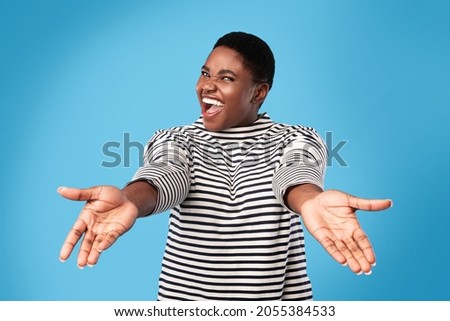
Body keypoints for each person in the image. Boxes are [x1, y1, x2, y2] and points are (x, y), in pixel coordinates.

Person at [58, 31, 392, 300]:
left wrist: (310, 201)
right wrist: (130, 199)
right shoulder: (175, 139)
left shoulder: (295, 138)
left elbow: (295, 174)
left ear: (258, 92)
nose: (206, 85)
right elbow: (164, 174)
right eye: (205, 73)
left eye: (226, 77)